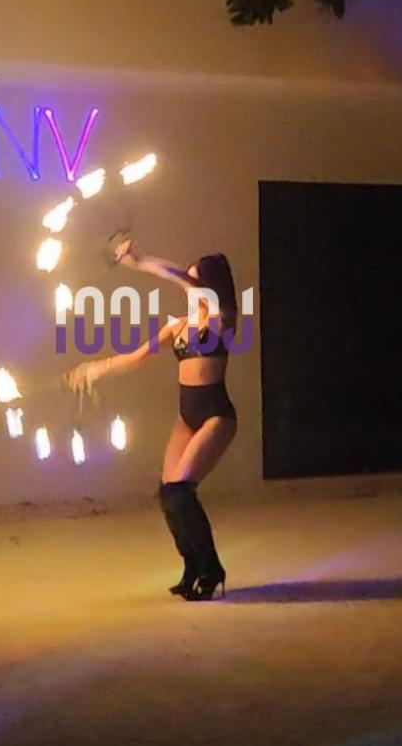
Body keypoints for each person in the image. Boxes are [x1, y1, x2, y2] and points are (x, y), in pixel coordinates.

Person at [65, 239, 238, 600]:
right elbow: (137, 356)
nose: (189, 288)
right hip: (187, 416)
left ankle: (212, 570)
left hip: (215, 416)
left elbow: (182, 279)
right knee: (168, 494)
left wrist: (139, 260)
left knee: (180, 492)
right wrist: (95, 368)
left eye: (196, 282)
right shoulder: (178, 326)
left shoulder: (222, 321)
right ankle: (192, 566)